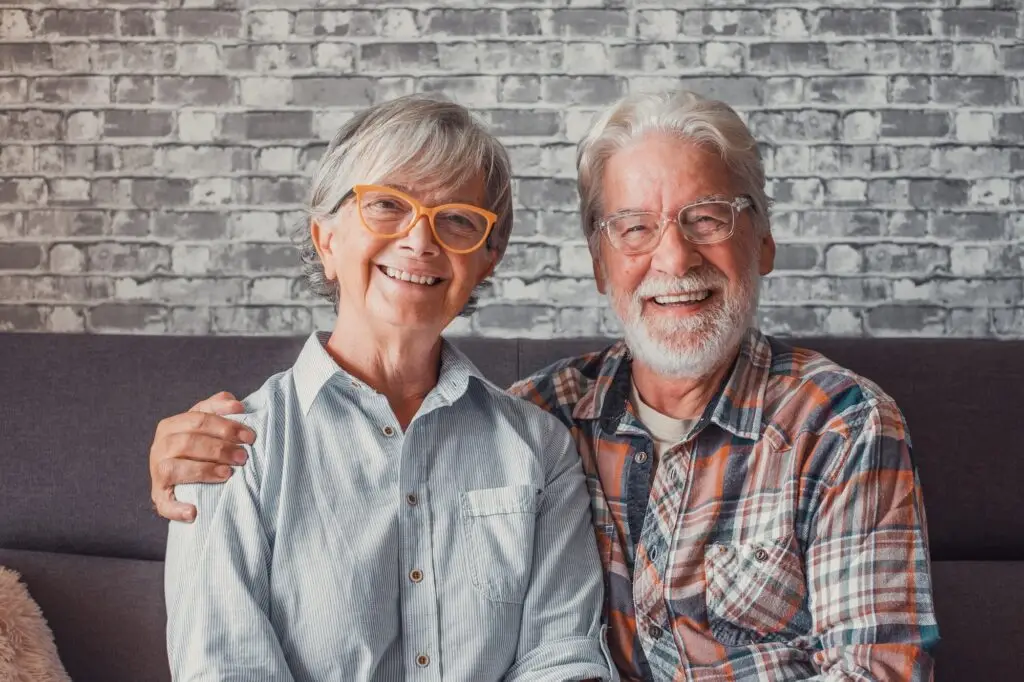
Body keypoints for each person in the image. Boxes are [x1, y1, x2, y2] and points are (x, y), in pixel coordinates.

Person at [150, 90, 938, 680]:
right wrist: (170, 466)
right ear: (324, 239)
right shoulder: (232, 450)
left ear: (763, 241)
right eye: (634, 226)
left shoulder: (835, 424)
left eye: (706, 219)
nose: (672, 259)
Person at [161, 94, 614, 681]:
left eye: (456, 219)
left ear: (487, 259)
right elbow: (223, 670)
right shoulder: (230, 450)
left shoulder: (541, 450)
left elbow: (559, 658)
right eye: (386, 206)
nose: (419, 241)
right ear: (327, 241)